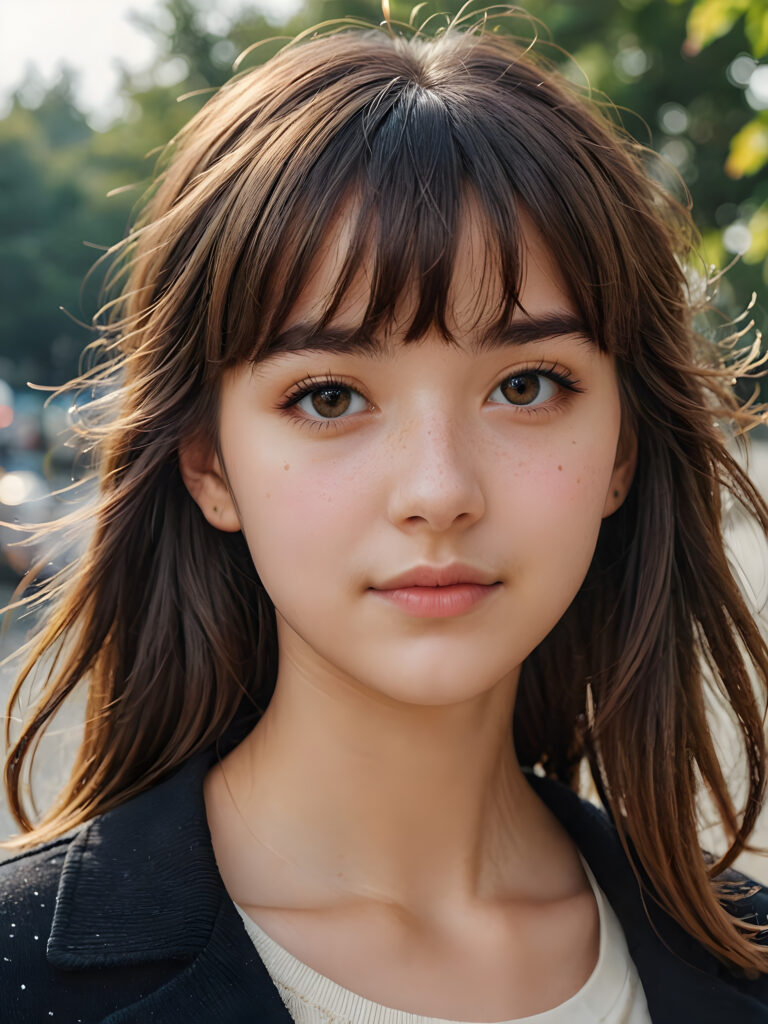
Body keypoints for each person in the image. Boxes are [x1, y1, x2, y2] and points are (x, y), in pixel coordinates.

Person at [2, 8, 768, 1022]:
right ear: (208, 462)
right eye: (329, 396)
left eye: (529, 384)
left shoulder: (742, 960)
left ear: (622, 448)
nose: (439, 490)